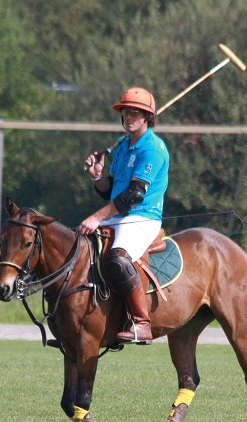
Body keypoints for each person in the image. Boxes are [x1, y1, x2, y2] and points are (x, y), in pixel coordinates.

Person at [80, 87, 170, 345]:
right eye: (126, 111)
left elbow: (133, 196)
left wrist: (97, 217)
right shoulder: (120, 149)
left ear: (147, 118)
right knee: (79, 246)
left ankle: (141, 324)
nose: (129, 116)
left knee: (118, 259)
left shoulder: (153, 149)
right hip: (120, 215)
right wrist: (97, 176)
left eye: (136, 112)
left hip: (143, 216)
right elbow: (111, 192)